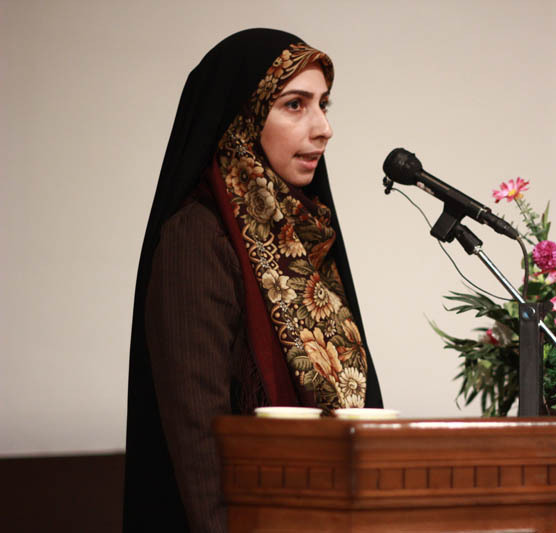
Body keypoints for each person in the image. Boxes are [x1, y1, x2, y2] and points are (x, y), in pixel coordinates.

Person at [123, 29, 383, 532]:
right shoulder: (197, 238)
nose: (324, 128)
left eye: (324, 104)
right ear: (244, 117)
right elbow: (200, 441)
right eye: (295, 105)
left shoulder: (302, 234)